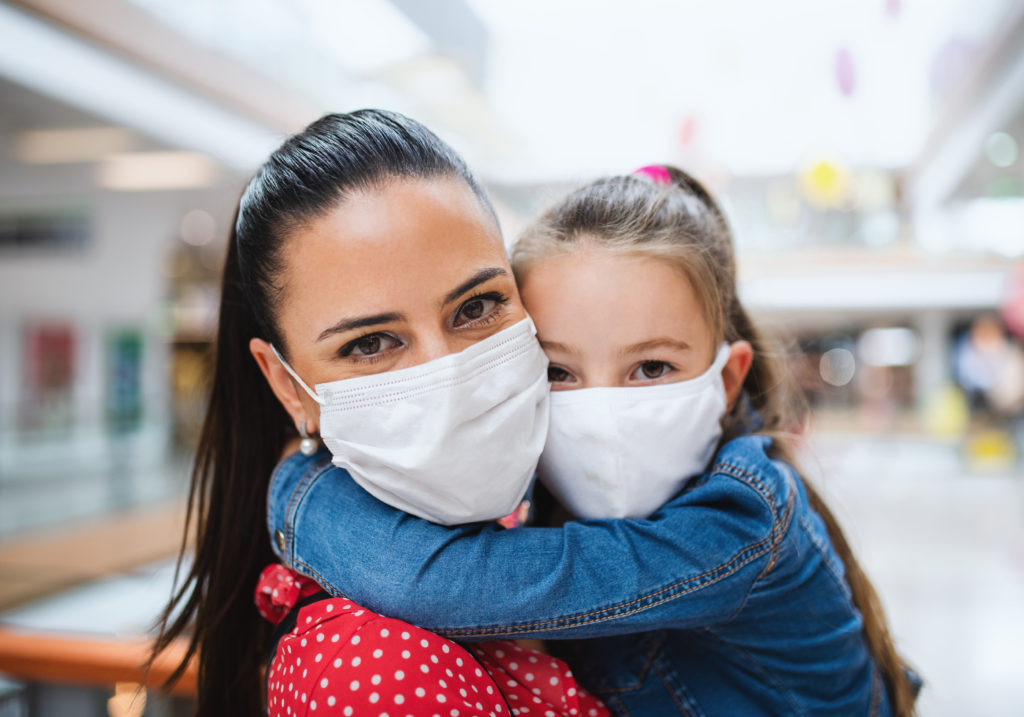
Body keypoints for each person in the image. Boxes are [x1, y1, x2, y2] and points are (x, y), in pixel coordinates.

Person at [265, 166, 920, 715]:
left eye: (652, 367)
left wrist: (300, 493)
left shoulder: (743, 517)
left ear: (728, 379)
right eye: (558, 372)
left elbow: (449, 582)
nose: (602, 410)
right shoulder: (523, 481)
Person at [150, 109, 606, 716]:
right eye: (369, 343)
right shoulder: (375, 673)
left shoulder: (553, 510)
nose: (448, 374)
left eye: (477, 306)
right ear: (287, 388)